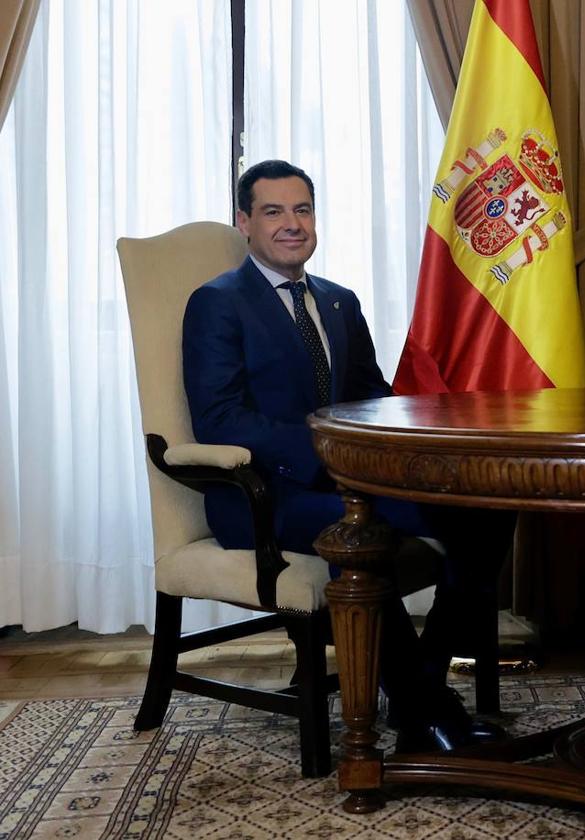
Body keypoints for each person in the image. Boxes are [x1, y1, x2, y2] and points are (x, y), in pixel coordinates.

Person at [182, 159, 509, 751]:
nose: (291, 224)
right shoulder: (217, 303)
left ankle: (426, 681)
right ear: (245, 223)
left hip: (348, 483)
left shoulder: (338, 301)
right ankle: (420, 717)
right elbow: (220, 417)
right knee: (359, 534)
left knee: (484, 510)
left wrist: (428, 445)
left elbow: (371, 399)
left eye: (302, 209)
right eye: (273, 211)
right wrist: (325, 454)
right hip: (264, 494)